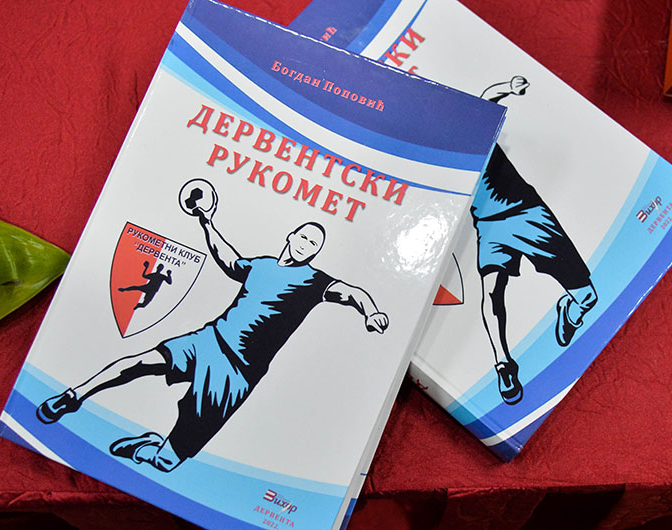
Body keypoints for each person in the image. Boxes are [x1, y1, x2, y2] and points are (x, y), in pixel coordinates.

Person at [36, 212, 389, 472]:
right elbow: (228, 258)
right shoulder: (261, 265)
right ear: (291, 235)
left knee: (165, 463)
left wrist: (370, 312)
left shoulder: (314, 281)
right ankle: (73, 396)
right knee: (141, 362)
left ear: (315, 253)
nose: (306, 245)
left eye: (314, 244)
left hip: (238, 372)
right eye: (305, 237)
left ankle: (148, 448)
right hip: (209, 340)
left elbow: (351, 292)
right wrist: (206, 220)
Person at [476, 76, 597, 406]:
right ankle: (503, 364)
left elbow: (488, 95)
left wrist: (509, 86)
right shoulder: (433, 150)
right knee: (491, 291)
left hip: (528, 213)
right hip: (488, 225)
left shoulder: (470, 122)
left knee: (588, 297)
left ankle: (570, 311)